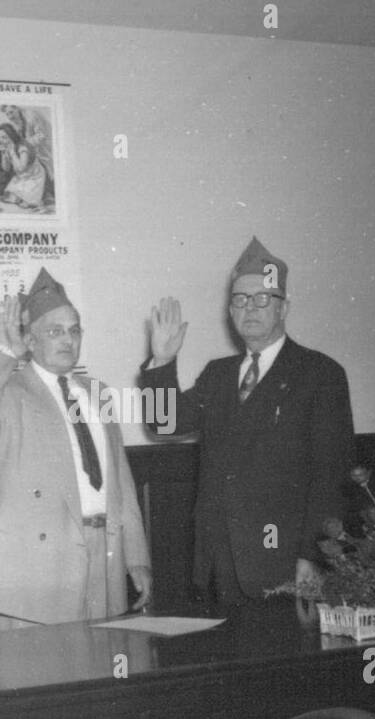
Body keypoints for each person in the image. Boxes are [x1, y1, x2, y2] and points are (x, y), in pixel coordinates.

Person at [139, 237, 354, 617]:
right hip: (217, 565)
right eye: (239, 299)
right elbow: (164, 423)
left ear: (284, 307)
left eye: (262, 299)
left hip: (283, 564)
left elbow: (329, 475)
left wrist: (313, 556)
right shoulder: (218, 375)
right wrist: (161, 360)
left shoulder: (320, 374)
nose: (249, 308)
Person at [0, 270, 152, 628]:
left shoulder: (97, 393)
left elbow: (123, 484)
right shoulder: (8, 391)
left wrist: (136, 557)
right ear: (31, 340)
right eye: (55, 331)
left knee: (98, 672)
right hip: (34, 566)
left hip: (104, 555)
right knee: (38, 675)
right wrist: (5, 352)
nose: (68, 340)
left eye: (74, 330)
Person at [0, 123, 47, 208]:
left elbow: (21, 168)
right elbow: (6, 168)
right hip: (21, 177)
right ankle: (21, 199)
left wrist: (12, 152)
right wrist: (4, 154)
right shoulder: (8, 147)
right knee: (8, 195)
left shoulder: (22, 147)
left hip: (34, 176)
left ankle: (30, 200)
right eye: (0, 137)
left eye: (4, 137)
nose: (1, 140)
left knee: (28, 201)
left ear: (11, 136)